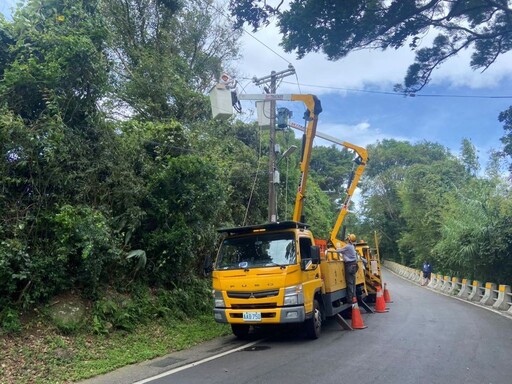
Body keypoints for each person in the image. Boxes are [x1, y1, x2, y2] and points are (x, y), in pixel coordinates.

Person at [337, 233, 359, 303]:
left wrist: (336, 248)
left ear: (349, 239)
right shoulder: (352, 246)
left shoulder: (348, 247)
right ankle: (354, 297)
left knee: (349, 283)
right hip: (354, 265)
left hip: (349, 266)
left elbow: (338, 251)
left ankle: (350, 299)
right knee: (353, 283)